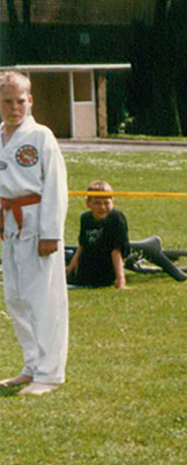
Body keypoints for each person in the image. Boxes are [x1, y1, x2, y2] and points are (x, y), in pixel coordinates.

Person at [0, 70, 68, 396]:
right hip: (9, 225)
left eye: (20, 101)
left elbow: (56, 186)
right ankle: (30, 365)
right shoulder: (0, 137)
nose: (15, 107)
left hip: (37, 221)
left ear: (31, 101)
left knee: (43, 300)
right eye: (8, 101)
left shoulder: (41, 136)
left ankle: (49, 373)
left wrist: (50, 233)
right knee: (14, 298)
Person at [65, 180, 130, 289]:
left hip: (104, 272)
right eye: (97, 203)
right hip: (86, 268)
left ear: (113, 201)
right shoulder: (85, 218)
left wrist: (120, 280)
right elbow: (82, 246)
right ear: (88, 203)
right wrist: (70, 270)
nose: (102, 207)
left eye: (106, 203)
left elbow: (116, 251)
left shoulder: (115, 218)